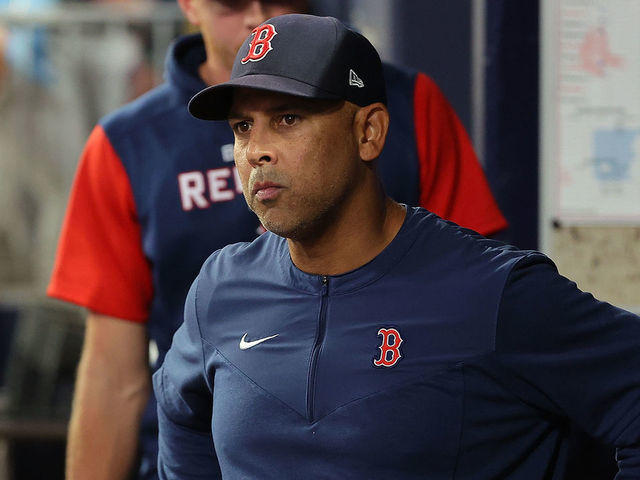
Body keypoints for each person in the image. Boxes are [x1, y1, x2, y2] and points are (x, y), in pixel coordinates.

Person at [154, 14, 640, 479]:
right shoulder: (221, 288)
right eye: (243, 126)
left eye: (287, 119)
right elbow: (179, 415)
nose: (256, 150)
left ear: (369, 132)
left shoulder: (494, 293)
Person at [47, 1, 506, 479]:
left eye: (289, 119)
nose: (259, 17)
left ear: (370, 131)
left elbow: (486, 304)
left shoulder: (403, 103)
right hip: (206, 448)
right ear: (189, 5)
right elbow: (112, 376)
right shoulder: (127, 145)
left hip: (392, 440)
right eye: (232, 3)